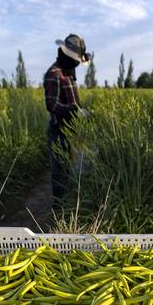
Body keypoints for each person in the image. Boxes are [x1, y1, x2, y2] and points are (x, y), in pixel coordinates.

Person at [43, 34, 91, 199]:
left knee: (73, 168)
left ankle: (71, 203)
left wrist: (81, 112)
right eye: (74, 60)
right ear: (64, 54)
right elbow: (52, 105)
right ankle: (59, 208)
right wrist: (73, 111)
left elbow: (72, 100)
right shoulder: (54, 74)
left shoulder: (68, 72)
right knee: (59, 172)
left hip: (71, 130)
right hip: (59, 132)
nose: (76, 64)